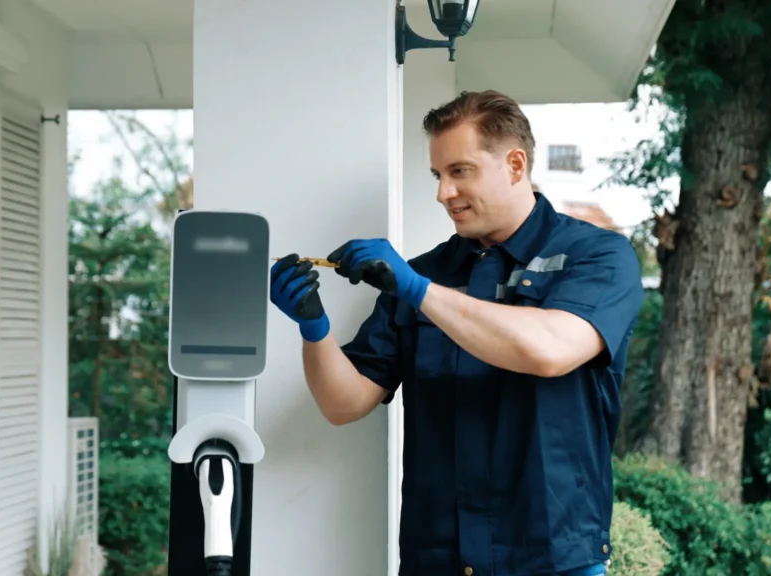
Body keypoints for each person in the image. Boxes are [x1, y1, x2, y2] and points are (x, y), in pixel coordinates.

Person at [269, 90, 644, 576]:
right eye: (437, 175)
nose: (443, 193)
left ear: (514, 165)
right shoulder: (422, 275)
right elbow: (344, 403)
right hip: (439, 559)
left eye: (459, 171)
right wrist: (313, 326)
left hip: (551, 560)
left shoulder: (598, 256)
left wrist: (417, 290)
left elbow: (549, 349)